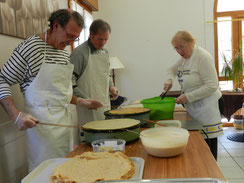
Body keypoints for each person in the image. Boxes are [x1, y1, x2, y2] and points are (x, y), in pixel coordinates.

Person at [0, 9, 102, 171]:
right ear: (56, 26)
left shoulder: (63, 53)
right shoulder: (30, 48)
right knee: (46, 174)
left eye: (74, 39)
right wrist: (15, 115)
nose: (70, 42)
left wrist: (82, 102)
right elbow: (2, 79)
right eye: (69, 36)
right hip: (41, 130)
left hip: (63, 126)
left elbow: (58, 93)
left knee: (66, 172)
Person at [162, 30, 223, 160]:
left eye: (181, 46)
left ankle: (211, 176)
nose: (179, 51)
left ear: (192, 42)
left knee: (208, 149)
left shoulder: (202, 57)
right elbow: (171, 70)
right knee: (197, 147)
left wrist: (187, 97)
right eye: (176, 48)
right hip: (194, 107)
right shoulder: (185, 59)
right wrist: (169, 80)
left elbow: (212, 85)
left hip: (208, 108)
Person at [70, 19, 119, 125]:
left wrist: (111, 87)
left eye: (106, 40)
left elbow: (107, 73)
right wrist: (85, 100)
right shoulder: (79, 54)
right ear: (91, 34)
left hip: (104, 102)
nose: (103, 43)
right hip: (87, 106)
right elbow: (70, 82)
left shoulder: (105, 51)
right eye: (100, 39)